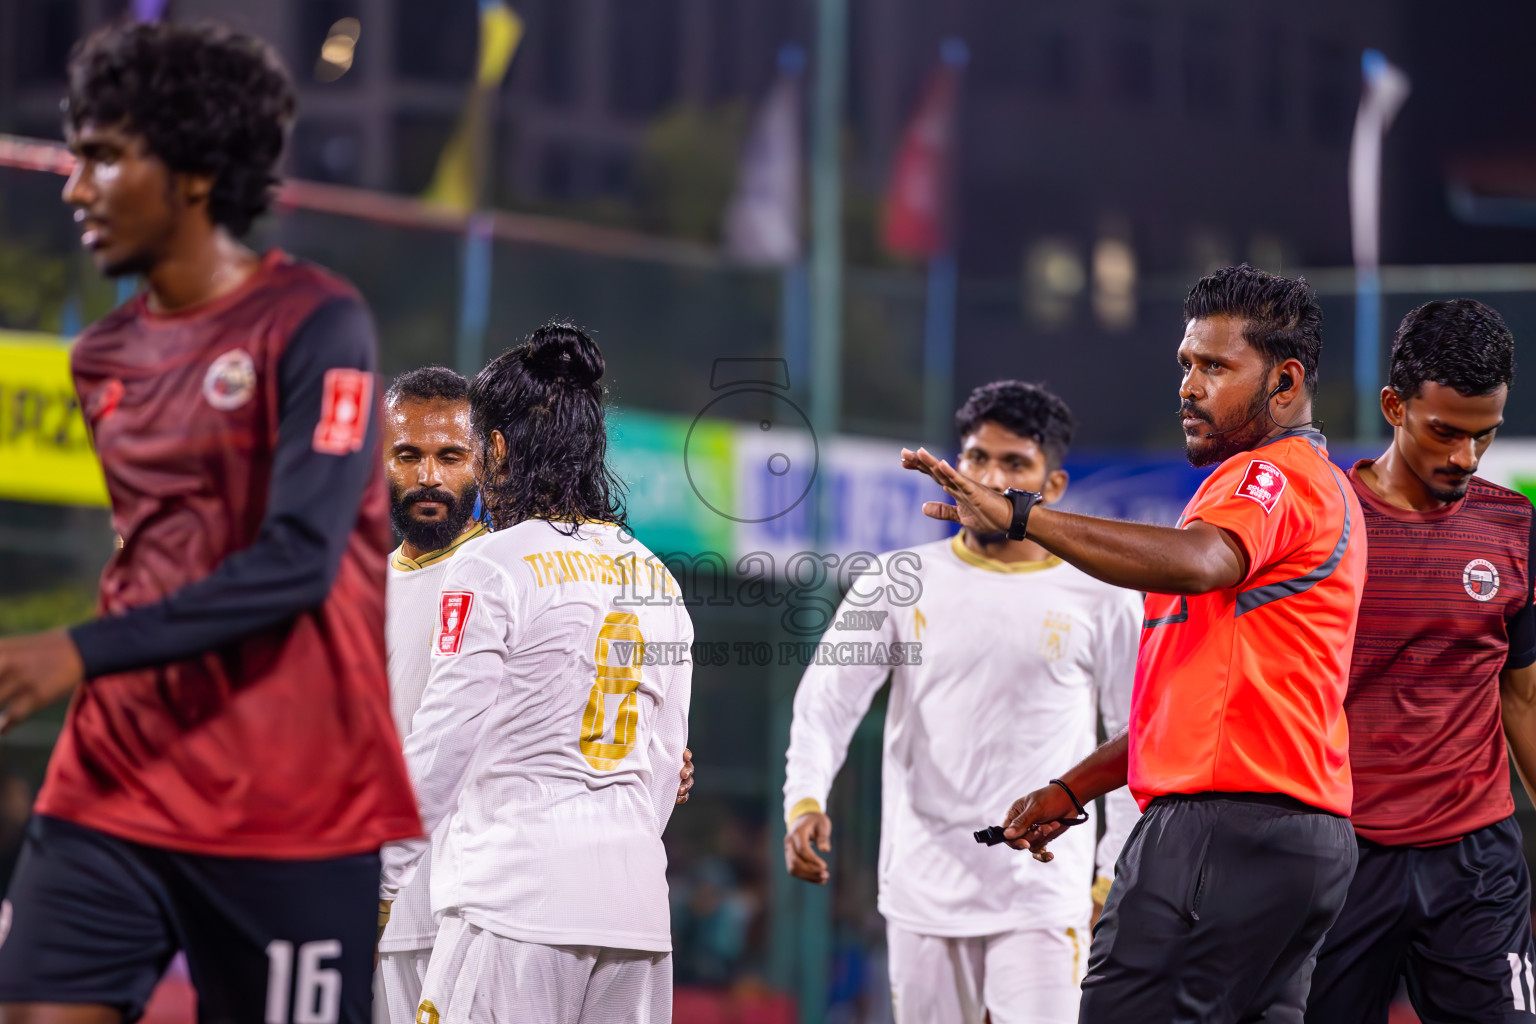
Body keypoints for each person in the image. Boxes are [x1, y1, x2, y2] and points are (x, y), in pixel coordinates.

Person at [0, 21, 419, 1023]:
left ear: (190, 171)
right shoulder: (100, 357)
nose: (75, 186)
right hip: (114, 775)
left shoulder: (319, 322)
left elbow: (300, 561)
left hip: (287, 798)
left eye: (104, 156)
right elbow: (157, 559)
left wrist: (77, 650)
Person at [903, 264, 1367, 1023]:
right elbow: (1201, 700)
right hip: (1299, 844)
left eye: (1216, 367)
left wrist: (1021, 516)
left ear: (1284, 382)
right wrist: (1074, 788)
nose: (1189, 386)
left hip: (1219, 835)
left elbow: (1200, 563)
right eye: (1186, 364)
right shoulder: (1311, 488)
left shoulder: (1267, 478)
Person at [783, 380, 1142, 1023]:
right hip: (922, 890)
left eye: (1013, 464)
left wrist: (1109, 878)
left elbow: (1133, 741)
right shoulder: (898, 580)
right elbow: (826, 703)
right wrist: (804, 798)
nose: (988, 476)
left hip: (1045, 895)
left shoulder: (1105, 596)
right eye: (977, 457)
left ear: (1051, 487)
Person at [379, 324, 693, 1023]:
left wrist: (381, 879)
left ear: (495, 448)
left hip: (514, 906)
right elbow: (666, 764)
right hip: (637, 914)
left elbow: (442, 742)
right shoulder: (657, 578)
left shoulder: (489, 565)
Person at [1304, 300, 1536, 1023]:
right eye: (1444, 432)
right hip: (1340, 854)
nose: (1464, 458)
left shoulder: (1513, 525)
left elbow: (1522, 698)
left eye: (1483, 436)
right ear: (1394, 406)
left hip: (1476, 861)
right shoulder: (1323, 522)